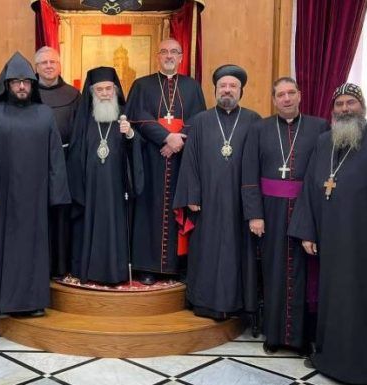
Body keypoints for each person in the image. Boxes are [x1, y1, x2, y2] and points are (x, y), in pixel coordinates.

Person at [288, 83, 367, 384]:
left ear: (361, 105)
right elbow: (311, 189)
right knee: (334, 300)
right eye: (339, 104)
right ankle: (331, 356)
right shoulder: (325, 141)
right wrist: (307, 232)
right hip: (331, 239)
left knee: (365, 300)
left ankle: (360, 365)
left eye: (350, 103)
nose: (344, 109)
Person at [0, 52, 70, 317]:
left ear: (33, 83)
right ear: (7, 85)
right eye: (16, 82)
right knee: (6, 249)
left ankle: (33, 302)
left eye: (26, 81)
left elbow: (55, 156)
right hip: (3, 197)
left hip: (36, 196)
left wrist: (56, 193)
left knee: (34, 250)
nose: (22, 86)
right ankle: (3, 303)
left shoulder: (44, 113)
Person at [241, 77, 328, 355]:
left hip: (307, 208)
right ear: (274, 99)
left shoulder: (318, 127)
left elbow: (325, 172)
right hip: (270, 210)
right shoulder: (259, 128)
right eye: (281, 95)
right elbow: (249, 174)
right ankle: (274, 335)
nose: (287, 99)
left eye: (291, 93)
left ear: (300, 96)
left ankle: (302, 338)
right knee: (273, 269)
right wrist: (255, 214)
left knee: (305, 273)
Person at [173, 64, 261, 320]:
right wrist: (192, 195)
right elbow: (190, 160)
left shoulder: (253, 120)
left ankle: (236, 304)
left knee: (238, 251)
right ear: (215, 90)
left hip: (240, 201)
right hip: (207, 201)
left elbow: (258, 161)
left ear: (241, 91)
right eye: (222, 86)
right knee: (207, 250)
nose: (227, 90)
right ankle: (204, 302)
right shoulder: (200, 120)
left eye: (232, 86)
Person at [125, 38, 206, 285]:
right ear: (157, 57)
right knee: (149, 210)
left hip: (182, 160)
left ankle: (176, 265)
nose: (169, 56)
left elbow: (199, 119)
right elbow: (136, 116)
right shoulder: (142, 85)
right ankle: (147, 266)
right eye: (164, 52)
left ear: (181, 57)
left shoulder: (192, 86)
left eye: (174, 52)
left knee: (178, 208)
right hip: (150, 158)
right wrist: (166, 138)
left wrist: (177, 142)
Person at [67, 66, 143, 285]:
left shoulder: (124, 117)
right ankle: (89, 270)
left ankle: (115, 272)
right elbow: (75, 152)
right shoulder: (84, 119)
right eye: (99, 90)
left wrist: (130, 134)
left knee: (114, 226)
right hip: (90, 187)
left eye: (109, 88)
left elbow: (135, 151)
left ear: (116, 90)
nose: (105, 93)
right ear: (92, 92)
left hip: (116, 188)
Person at [35, 46, 81, 278]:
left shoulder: (73, 95)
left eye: (53, 62)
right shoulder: (26, 93)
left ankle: (61, 267)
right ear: (36, 67)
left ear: (59, 65)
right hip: (34, 164)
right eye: (44, 63)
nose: (49, 66)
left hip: (66, 162)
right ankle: (38, 265)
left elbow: (81, 131)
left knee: (62, 214)